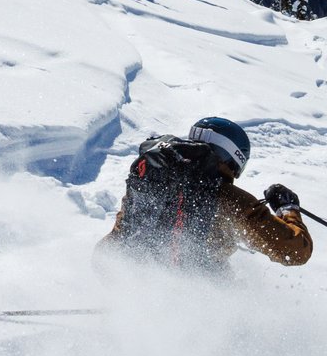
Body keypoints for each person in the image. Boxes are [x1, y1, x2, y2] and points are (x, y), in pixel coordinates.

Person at [99, 115, 312, 271]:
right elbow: (295, 251)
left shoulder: (153, 177)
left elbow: (118, 237)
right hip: (197, 300)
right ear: (234, 158)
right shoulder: (228, 198)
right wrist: (288, 209)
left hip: (128, 281)